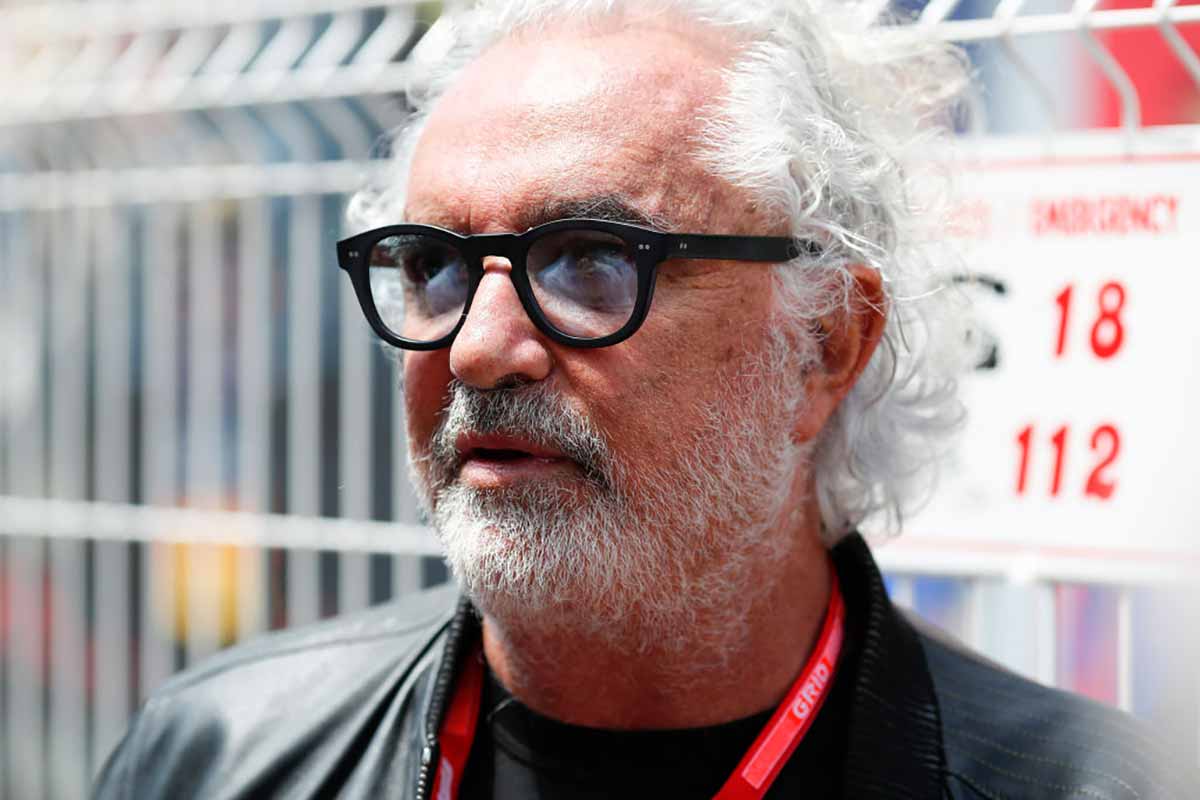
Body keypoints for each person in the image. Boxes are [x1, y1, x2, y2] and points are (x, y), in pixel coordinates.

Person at [95, 1, 1198, 798]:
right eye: (432, 264)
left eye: (590, 260)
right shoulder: (219, 755)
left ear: (826, 342)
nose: (478, 348)